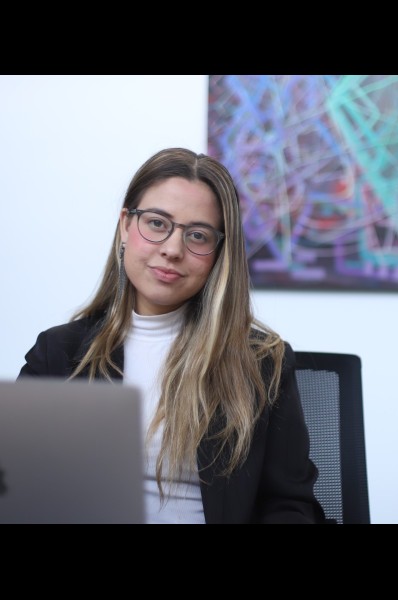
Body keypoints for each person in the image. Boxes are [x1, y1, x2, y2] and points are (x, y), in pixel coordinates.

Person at [18, 147, 327, 524]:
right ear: (125, 226)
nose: (172, 250)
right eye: (157, 223)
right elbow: (17, 489)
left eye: (197, 235)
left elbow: (289, 505)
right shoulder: (57, 354)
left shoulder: (261, 363)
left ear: (219, 252)